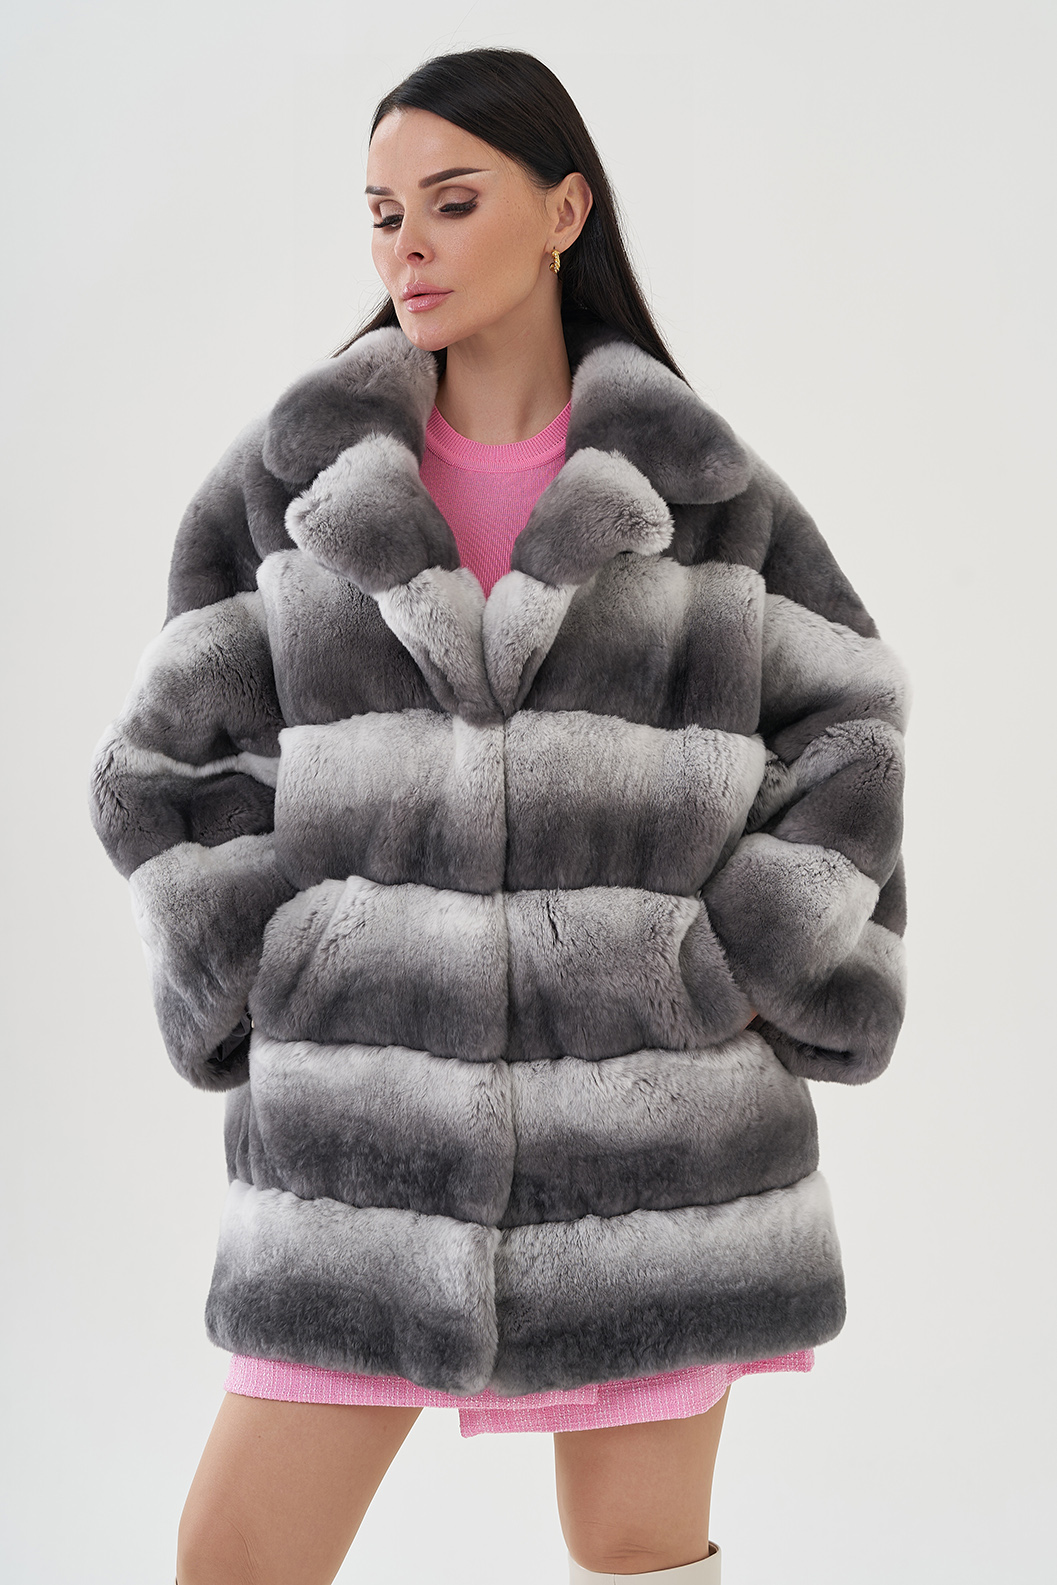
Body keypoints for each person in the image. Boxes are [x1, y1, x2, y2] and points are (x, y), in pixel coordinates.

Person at [88, 46, 910, 1585]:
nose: (405, 244)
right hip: (360, 1149)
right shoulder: (294, 487)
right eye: (382, 212)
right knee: (234, 1554)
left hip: (650, 1144)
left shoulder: (700, 492)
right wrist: (281, 959)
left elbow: (846, 729)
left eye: (451, 202)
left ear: (562, 213)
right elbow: (164, 769)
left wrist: (731, 958)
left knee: (634, 1551)